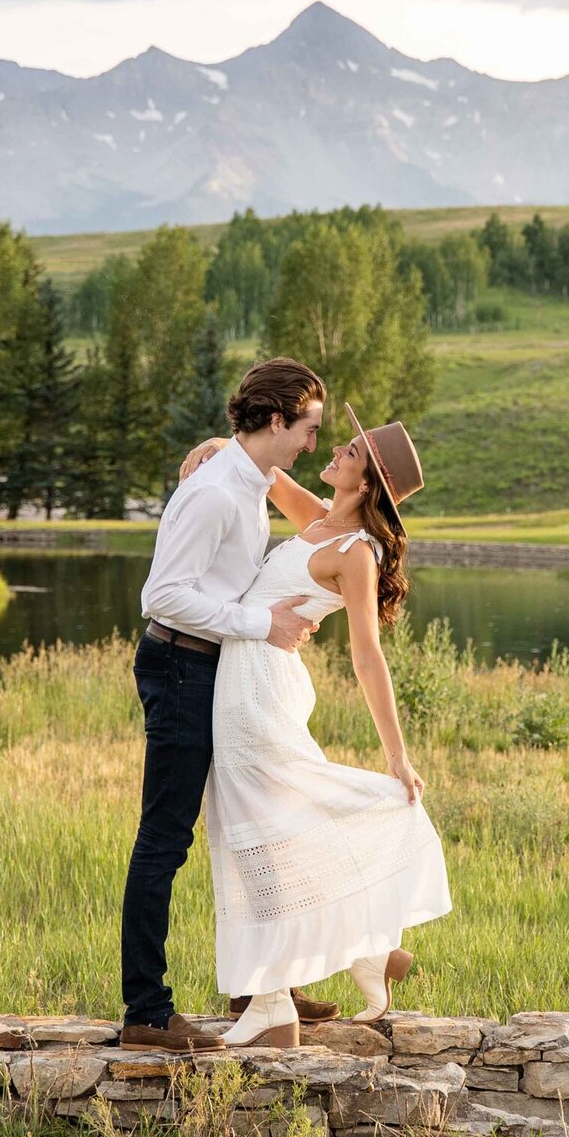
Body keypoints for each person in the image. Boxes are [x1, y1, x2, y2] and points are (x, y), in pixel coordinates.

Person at [181, 404, 451, 1049]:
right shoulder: (320, 523)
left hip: (260, 691)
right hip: (243, 681)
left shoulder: (355, 553)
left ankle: (281, 999)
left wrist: (398, 755)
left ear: (366, 484)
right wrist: (221, 440)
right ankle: (359, 954)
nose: (334, 453)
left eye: (351, 453)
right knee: (254, 833)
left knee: (256, 835)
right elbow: (266, 469)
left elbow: (367, 656)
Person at [118, 358, 331, 1052]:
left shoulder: (253, 477)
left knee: (251, 823)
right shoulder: (214, 492)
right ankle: (146, 1015)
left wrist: (236, 449)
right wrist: (262, 625)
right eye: (307, 429)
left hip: (215, 668)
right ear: (276, 420)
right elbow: (163, 596)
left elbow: (320, 518)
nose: (312, 443)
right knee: (165, 841)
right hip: (180, 665)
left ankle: (262, 986)